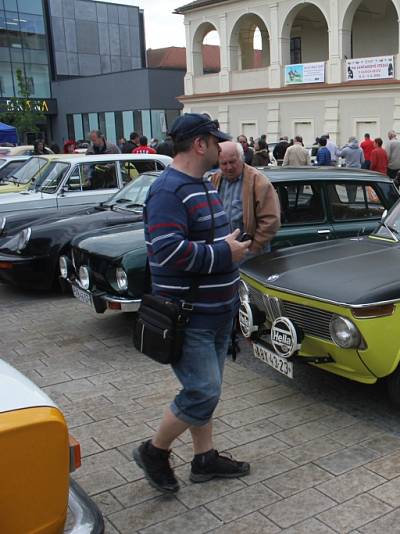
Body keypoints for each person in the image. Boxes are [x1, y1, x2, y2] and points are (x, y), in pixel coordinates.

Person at [135, 113, 252, 493]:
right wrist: (224, 252)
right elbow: (167, 253)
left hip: (217, 312)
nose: (221, 147)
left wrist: (228, 248)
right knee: (202, 391)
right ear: (200, 144)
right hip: (191, 316)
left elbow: (207, 241)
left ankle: (204, 458)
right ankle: (155, 450)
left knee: (208, 388)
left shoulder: (201, 184)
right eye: (216, 141)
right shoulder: (168, 191)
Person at [211, 141, 281, 256]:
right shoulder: (215, 179)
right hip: (223, 252)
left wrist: (253, 248)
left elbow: (271, 220)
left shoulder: (258, 181)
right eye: (224, 163)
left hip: (250, 255)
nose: (229, 167)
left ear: (242, 158)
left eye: (232, 162)